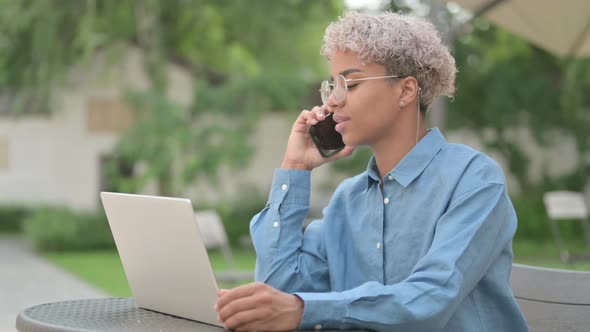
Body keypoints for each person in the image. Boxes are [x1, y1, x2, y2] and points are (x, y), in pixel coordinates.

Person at [215, 11, 528, 332]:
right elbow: (277, 290)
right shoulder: (345, 202)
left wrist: (302, 308)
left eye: (350, 83)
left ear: (406, 91)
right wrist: (294, 168)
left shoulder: (473, 180)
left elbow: (430, 299)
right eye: (332, 86)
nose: (333, 102)